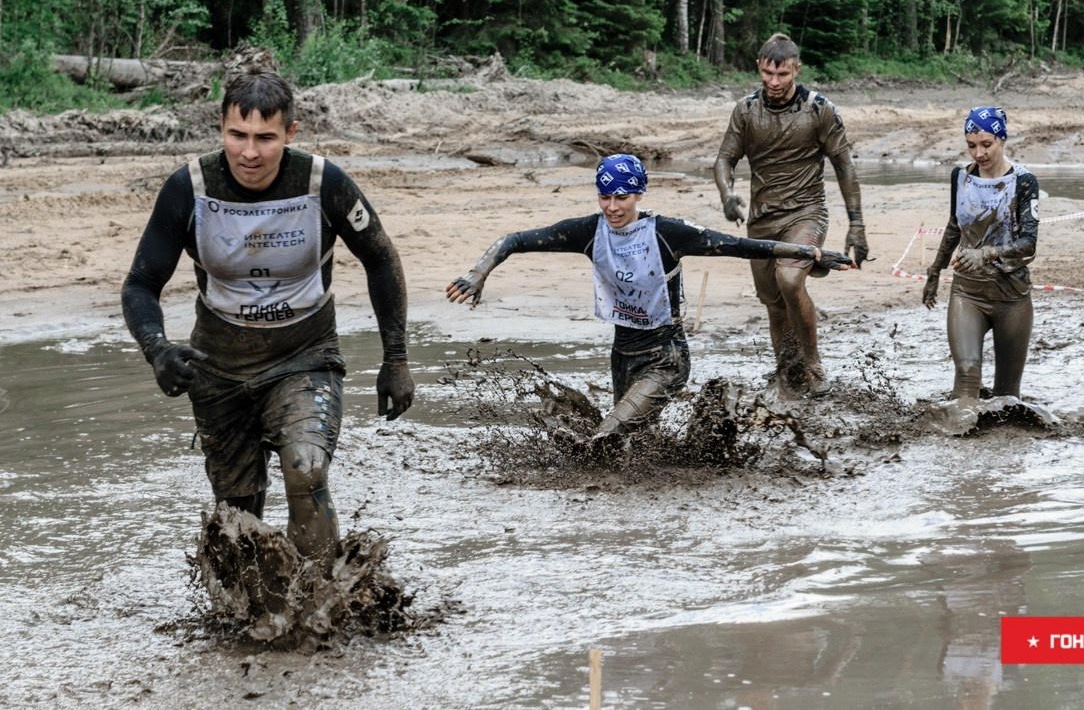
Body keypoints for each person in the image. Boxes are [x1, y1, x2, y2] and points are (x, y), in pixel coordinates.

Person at [121, 67, 414, 570]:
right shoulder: (188, 188)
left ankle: (324, 600)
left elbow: (381, 259)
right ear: (221, 128)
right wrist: (158, 350)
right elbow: (140, 284)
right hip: (218, 370)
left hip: (304, 357)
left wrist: (396, 359)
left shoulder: (323, 183)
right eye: (238, 135)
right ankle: (246, 613)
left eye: (265, 138)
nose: (249, 153)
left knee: (306, 471)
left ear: (290, 133)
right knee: (237, 517)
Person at [445, 153, 853, 447]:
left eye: (621, 197)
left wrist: (811, 254)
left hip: (666, 356)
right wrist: (477, 274)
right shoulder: (589, 231)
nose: (612, 207)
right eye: (604, 197)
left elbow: (739, 245)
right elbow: (515, 240)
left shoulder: (667, 233)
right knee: (633, 443)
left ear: (638, 193)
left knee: (606, 435)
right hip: (623, 353)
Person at [714, 32, 868, 397]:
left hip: (806, 212)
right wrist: (727, 194)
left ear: (796, 69)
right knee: (773, 304)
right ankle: (788, 372)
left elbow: (844, 167)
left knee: (789, 279)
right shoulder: (747, 110)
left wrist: (857, 225)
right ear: (758, 67)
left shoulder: (819, 109)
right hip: (761, 219)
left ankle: (813, 365)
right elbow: (724, 159)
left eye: (782, 75)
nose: (774, 82)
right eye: (768, 73)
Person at [922, 106, 1040, 403]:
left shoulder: (1024, 182)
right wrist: (935, 271)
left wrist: (985, 254)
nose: (978, 153)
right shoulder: (960, 177)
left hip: (1012, 296)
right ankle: (958, 446)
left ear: (1002, 140)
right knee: (967, 372)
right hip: (968, 292)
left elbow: (1029, 243)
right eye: (971, 146)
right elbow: (954, 225)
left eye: (986, 145)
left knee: (1008, 398)